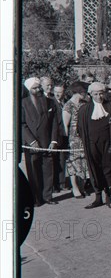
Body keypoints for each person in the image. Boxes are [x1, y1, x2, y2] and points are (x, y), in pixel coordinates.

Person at [77, 82, 111, 209]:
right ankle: (98, 197)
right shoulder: (84, 110)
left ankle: (109, 197)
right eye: (95, 94)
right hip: (92, 144)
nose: (98, 96)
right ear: (90, 94)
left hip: (109, 144)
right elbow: (80, 129)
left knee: (108, 168)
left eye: (101, 94)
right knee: (95, 168)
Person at [21, 77, 60, 206]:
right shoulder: (23, 103)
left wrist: (53, 141)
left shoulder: (50, 102)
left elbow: (54, 123)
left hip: (47, 142)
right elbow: (22, 124)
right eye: (34, 88)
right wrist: (32, 141)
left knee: (48, 170)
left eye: (38, 87)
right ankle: (36, 198)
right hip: (31, 143)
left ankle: (47, 196)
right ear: (29, 89)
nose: (37, 90)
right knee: (33, 171)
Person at [62, 81, 91, 199]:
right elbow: (65, 125)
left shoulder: (85, 103)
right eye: (84, 92)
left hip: (84, 137)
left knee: (84, 163)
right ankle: (75, 188)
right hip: (73, 139)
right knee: (73, 163)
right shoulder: (68, 106)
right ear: (79, 92)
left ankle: (82, 185)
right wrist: (65, 142)